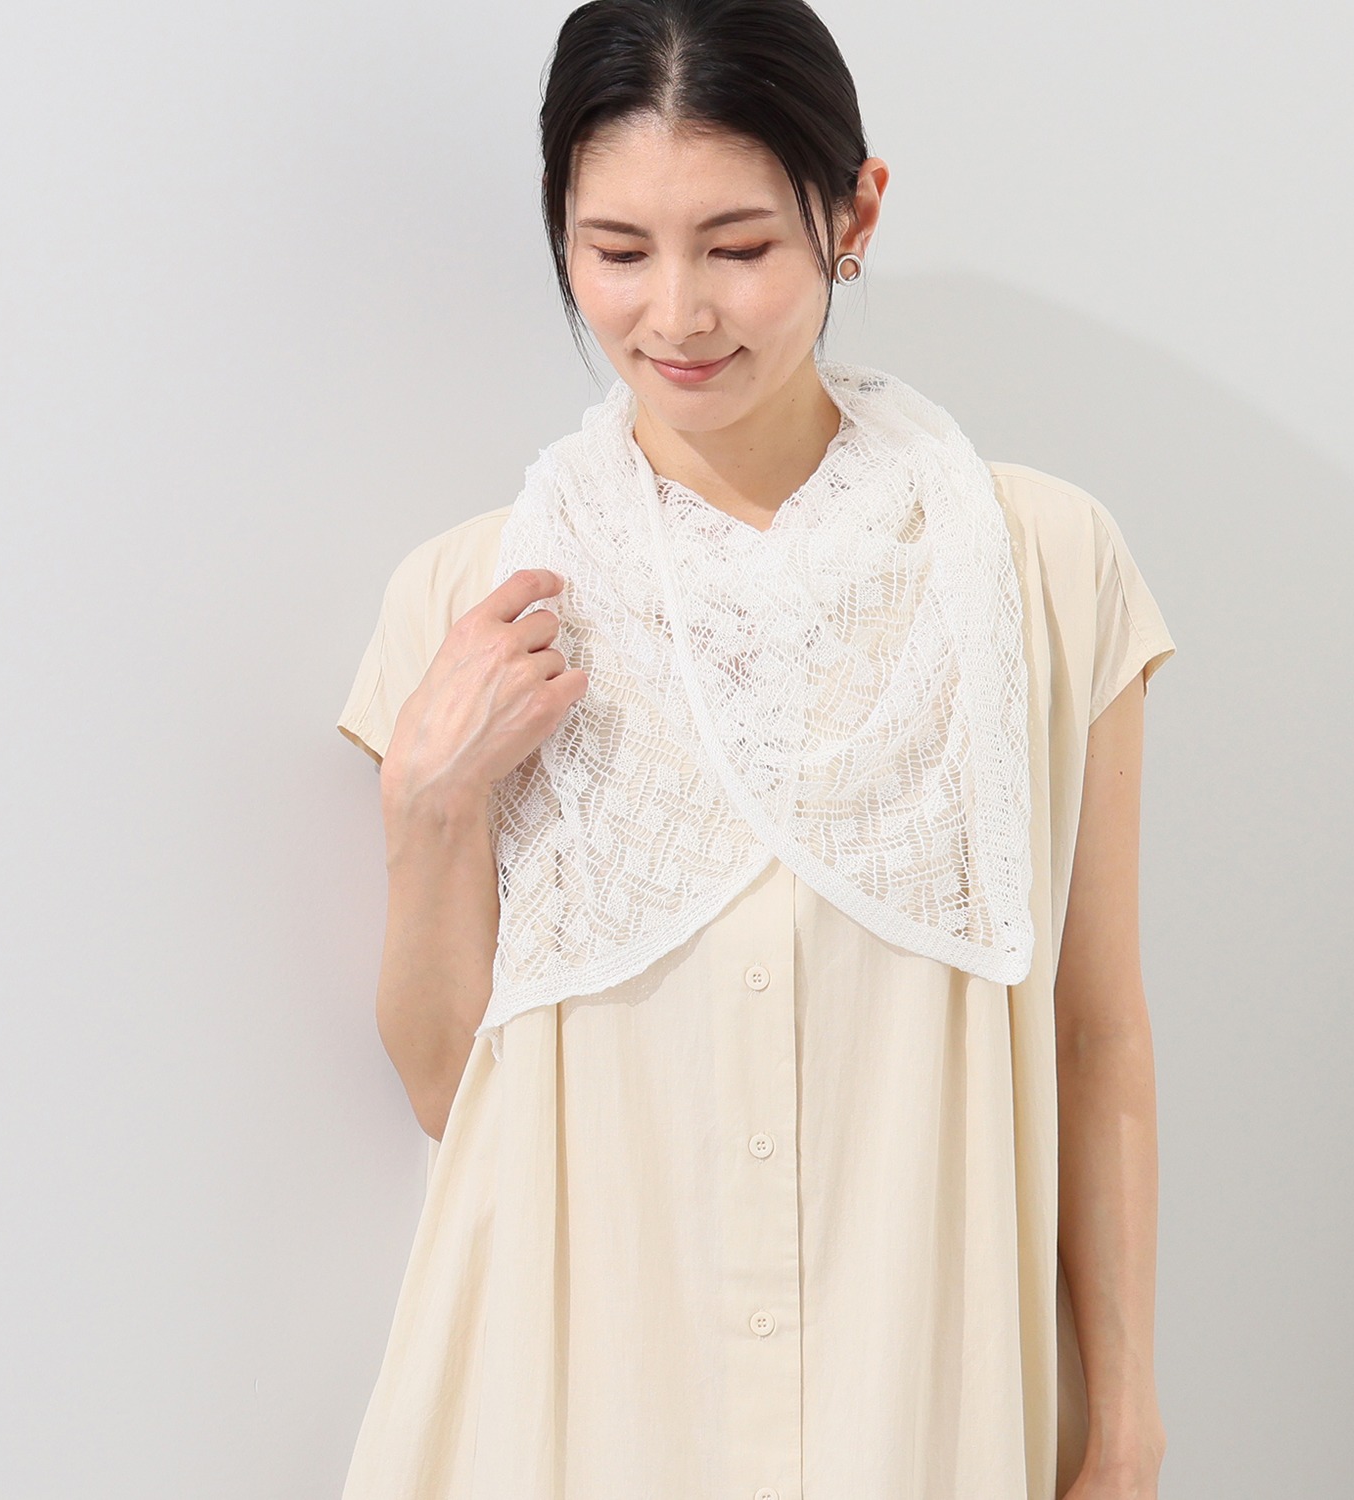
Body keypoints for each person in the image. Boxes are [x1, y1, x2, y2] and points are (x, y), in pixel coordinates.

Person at [334, 1, 1175, 1496]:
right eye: (616, 250)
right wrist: (430, 802)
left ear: (852, 217)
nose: (677, 316)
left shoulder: (1044, 565)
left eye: (736, 248)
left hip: (918, 1415)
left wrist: (1124, 1425)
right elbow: (446, 1089)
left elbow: (1095, 1028)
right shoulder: (465, 600)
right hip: (576, 1420)